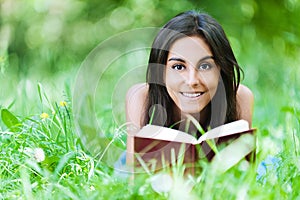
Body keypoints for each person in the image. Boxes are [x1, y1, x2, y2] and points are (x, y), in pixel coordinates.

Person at [125, 10, 254, 169]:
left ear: (221, 69)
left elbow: (243, 175)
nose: (192, 80)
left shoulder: (240, 97)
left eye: (205, 66)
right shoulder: (140, 98)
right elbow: (133, 180)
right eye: (178, 67)